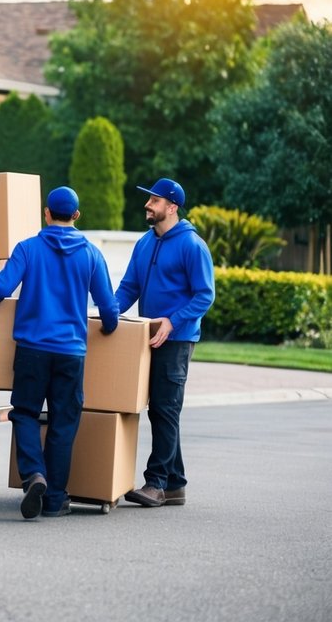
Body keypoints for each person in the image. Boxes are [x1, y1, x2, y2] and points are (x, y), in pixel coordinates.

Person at [0, 187, 119, 520]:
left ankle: (33, 474)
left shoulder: (29, 249)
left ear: (46, 213)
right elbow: (108, 308)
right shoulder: (91, 254)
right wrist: (109, 327)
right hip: (71, 353)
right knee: (63, 423)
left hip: (32, 350)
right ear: (77, 216)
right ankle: (55, 499)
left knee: (24, 414)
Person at [116, 178, 215, 509]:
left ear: (172, 207)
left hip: (177, 341)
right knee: (161, 409)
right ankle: (175, 484)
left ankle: (156, 483)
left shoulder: (192, 245)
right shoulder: (145, 243)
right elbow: (129, 287)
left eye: (155, 201)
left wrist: (173, 321)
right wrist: (107, 315)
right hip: (148, 337)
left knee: (165, 408)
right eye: (149, 200)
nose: (148, 205)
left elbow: (205, 294)